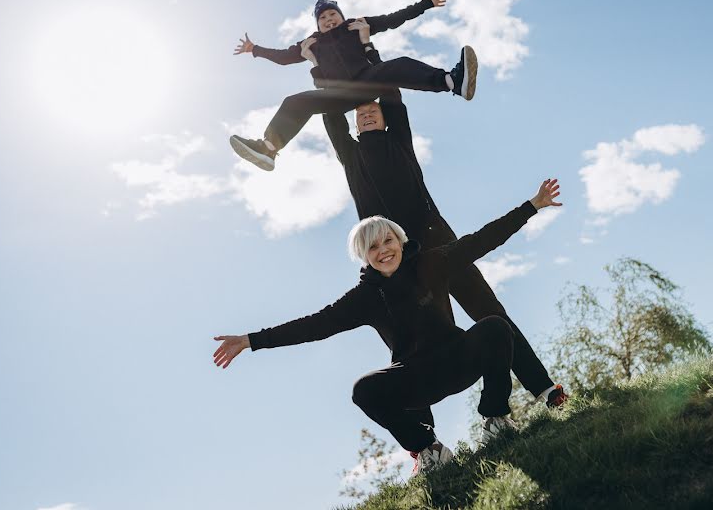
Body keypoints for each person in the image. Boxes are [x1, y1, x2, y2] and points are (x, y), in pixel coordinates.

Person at [213, 178, 563, 476]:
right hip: (416, 377)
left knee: (495, 327)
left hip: (458, 359)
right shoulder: (365, 297)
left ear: (400, 241)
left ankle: (496, 419)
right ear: (365, 256)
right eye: (374, 247)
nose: (384, 250)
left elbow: (481, 240)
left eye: (389, 241)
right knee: (364, 390)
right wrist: (251, 340)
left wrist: (532, 206)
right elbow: (314, 326)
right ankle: (429, 451)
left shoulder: (432, 262)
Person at [322, 44, 567, 414]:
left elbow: (390, 89)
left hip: (438, 243)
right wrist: (321, 59)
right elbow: (329, 112)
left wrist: (368, 51)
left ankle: (545, 389)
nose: (368, 114)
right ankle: (426, 442)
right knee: (414, 344)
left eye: (373, 110)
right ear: (355, 124)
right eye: (361, 113)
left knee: (490, 311)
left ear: (385, 118)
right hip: (397, 264)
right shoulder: (350, 155)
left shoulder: (398, 141)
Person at [228, 0, 478, 171]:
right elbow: (283, 57)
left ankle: (451, 82)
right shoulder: (312, 42)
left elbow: (392, 19)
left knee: (398, 65)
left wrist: (424, 3)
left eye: (332, 15)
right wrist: (255, 49)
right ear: (317, 23)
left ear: (340, 15)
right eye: (323, 18)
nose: (328, 20)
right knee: (294, 102)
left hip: (367, 80)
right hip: (338, 94)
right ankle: (269, 148)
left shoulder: (356, 25)